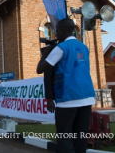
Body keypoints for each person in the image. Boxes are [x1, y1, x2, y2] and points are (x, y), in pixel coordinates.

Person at [36, 18, 95, 153]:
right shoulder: (84, 47)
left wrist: (44, 55)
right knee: (80, 136)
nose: (56, 35)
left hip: (68, 98)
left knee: (64, 136)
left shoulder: (61, 48)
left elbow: (40, 69)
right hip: (87, 97)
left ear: (63, 30)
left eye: (56, 31)